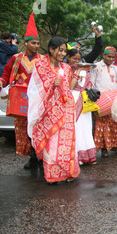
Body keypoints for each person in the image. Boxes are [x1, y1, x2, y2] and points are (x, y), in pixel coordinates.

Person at [27, 36, 82, 184]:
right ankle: (52, 175)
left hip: (65, 111)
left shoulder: (66, 68)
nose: (63, 54)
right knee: (51, 144)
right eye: (61, 50)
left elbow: (68, 88)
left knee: (65, 143)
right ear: (51, 49)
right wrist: (51, 82)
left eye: (64, 51)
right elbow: (33, 90)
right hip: (47, 112)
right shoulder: (40, 66)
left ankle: (67, 171)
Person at [0, 13, 42, 170]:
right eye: (33, 43)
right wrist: (1, 82)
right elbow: (6, 74)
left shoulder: (43, 60)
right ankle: (32, 156)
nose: (36, 45)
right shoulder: (16, 58)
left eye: (38, 43)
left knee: (38, 127)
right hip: (21, 100)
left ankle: (39, 155)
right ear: (26, 43)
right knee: (23, 129)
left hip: (37, 100)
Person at [89, 47, 117, 157]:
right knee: (102, 125)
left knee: (115, 124)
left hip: (114, 100)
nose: (110, 59)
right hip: (101, 101)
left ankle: (115, 146)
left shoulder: (116, 68)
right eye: (108, 56)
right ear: (103, 55)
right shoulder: (96, 66)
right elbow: (92, 83)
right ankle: (104, 149)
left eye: (112, 57)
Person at [67, 48, 97, 165]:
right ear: (69, 58)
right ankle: (77, 157)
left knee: (86, 127)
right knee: (76, 127)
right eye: (74, 58)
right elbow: (71, 86)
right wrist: (77, 72)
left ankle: (89, 155)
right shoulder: (67, 69)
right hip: (73, 99)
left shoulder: (85, 71)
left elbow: (88, 85)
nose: (77, 61)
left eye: (79, 59)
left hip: (85, 101)